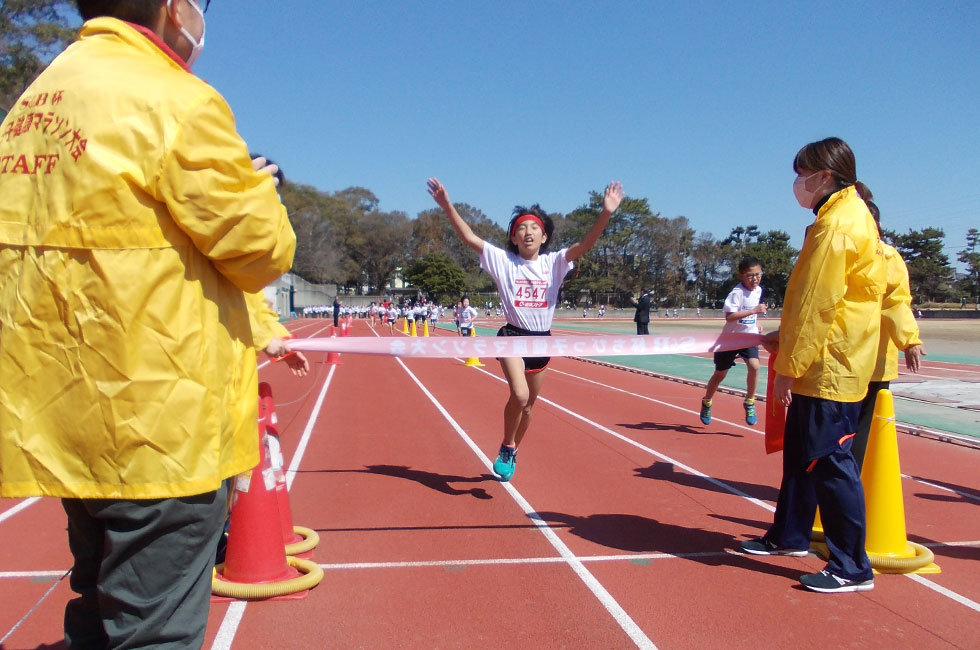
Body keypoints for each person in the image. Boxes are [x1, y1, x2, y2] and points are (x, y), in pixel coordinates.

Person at [0, 1, 297, 646]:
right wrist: (260, 190)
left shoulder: (33, 102)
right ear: (172, 7)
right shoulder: (177, 99)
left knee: (97, 603)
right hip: (158, 423)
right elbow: (259, 249)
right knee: (154, 627)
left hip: (61, 417)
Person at [742, 137, 885, 594]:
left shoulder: (838, 225)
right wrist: (785, 339)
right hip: (818, 359)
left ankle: (852, 565)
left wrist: (789, 362)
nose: (797, 183)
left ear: (826, 176)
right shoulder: (834, 218)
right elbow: (810, 301)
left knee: (829, 461)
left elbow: (819, 305)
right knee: (801, 458)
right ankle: (789, 536)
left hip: (829, 365)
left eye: (803, 173)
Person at [428, 177, 624, 481]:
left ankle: (514, 448)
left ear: (544, 237)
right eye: (521, 228)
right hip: (512, 337)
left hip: (542, 343)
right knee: (519, 396)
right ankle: (507, 445)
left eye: (534, 228)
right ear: (514, 239)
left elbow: (585, 245)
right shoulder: (503, 261)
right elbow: (470, 238)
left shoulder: (555, 263)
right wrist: (447, 206)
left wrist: (606, 212)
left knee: (530, 407)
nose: (528, 232)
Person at [850, 201, 924, 468]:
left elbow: (895, 301)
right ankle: (840, 491)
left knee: (858, 430)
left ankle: (843, 490)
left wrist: (909, 339)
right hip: (846, 359)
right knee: (847, 430)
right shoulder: (850, 252)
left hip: (870, 360)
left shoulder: (885, 256)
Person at [699, 257, 767, 426]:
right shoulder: (736, 293)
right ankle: (707, 401)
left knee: (755, 366)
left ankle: (750, 401)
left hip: (748, 337)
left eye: (758, 274)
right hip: (730, 339)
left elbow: (752, 312)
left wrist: (756, 322)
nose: (755, 279)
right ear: (741, 276)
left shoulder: (758, 290)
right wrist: (753, 310)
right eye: (750, 275)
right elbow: (730, 317)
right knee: (720, 374)